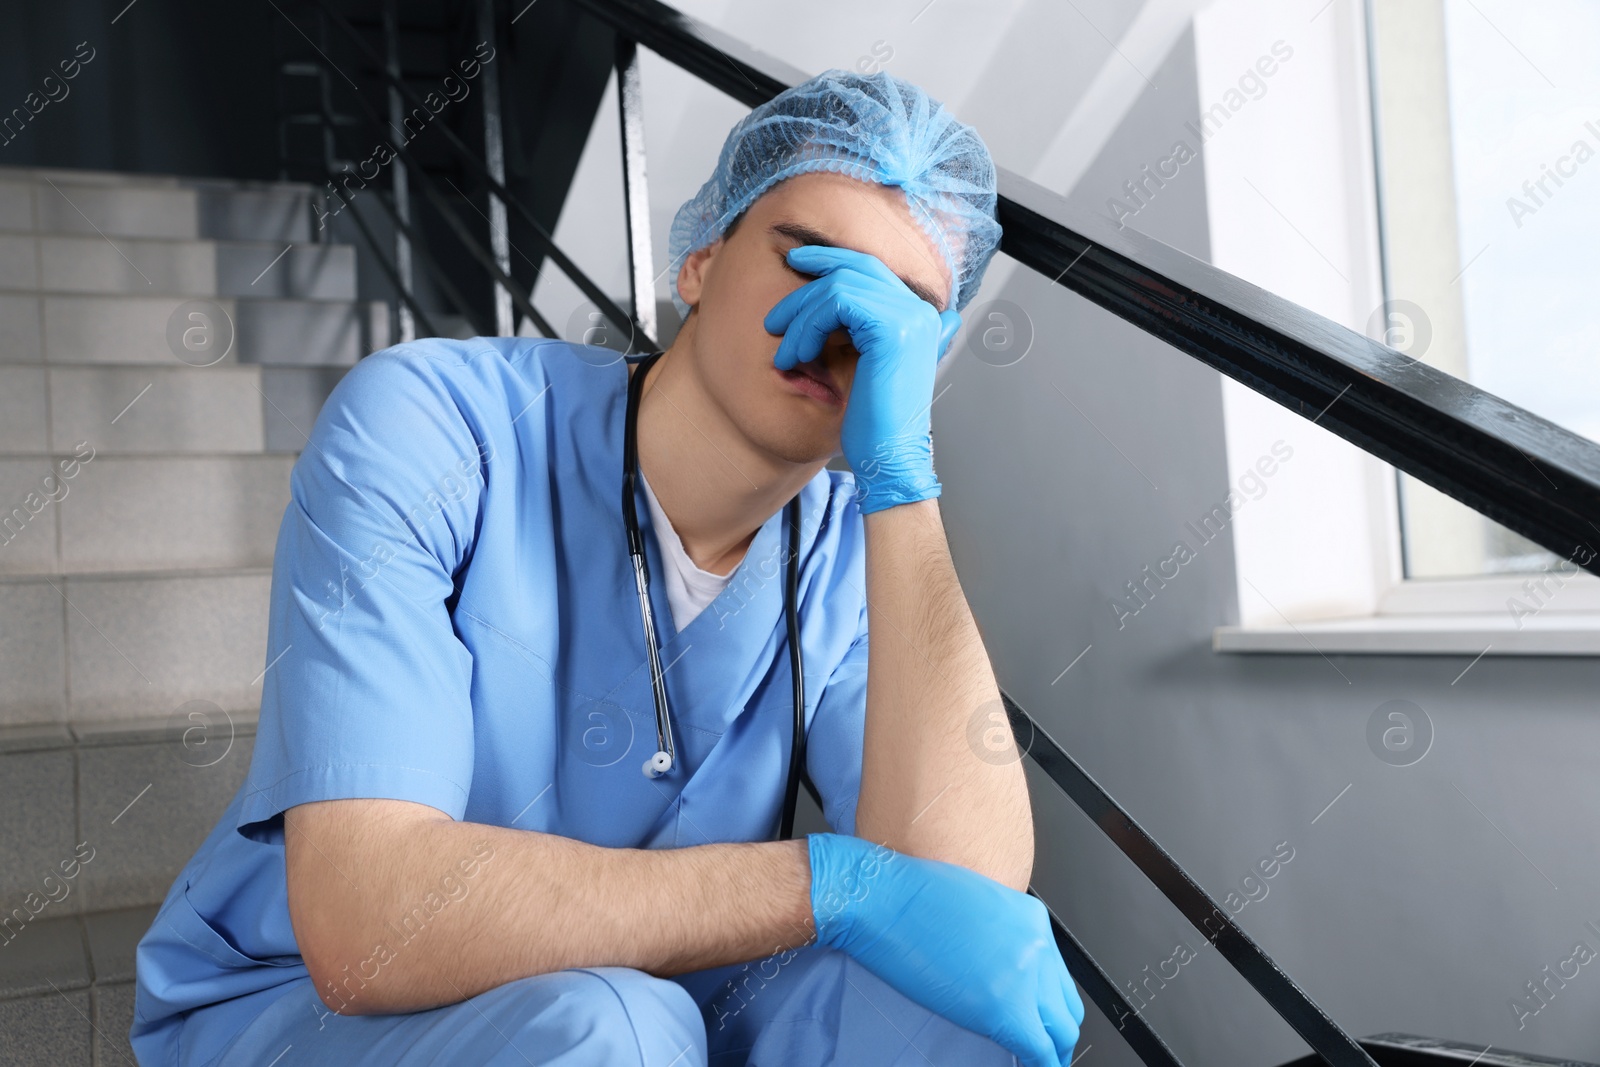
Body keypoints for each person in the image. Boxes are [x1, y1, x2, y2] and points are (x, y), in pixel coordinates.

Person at [130, 68, 1083, 1066]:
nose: (844, 325)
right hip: (325, 1009)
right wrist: (835, 884)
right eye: (810, 258)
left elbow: (963, 913)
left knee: (963, 1015)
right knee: (614, 1028)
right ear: (701, 258)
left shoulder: (847, 550)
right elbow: (371, 920)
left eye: (901, 308)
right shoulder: (436, 428)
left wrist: (900, 477)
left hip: (667, 1000)